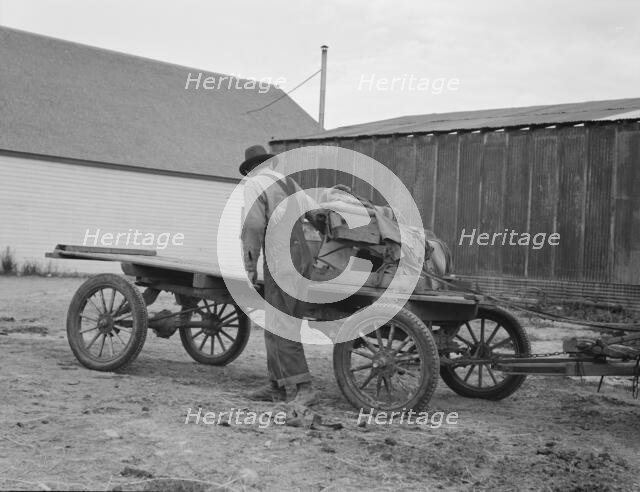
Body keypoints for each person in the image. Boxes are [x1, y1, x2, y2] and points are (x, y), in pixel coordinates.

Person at [239, 144, 320, 405]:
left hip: (281, 259)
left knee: (281, 324)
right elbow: (316, 213)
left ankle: (304, 388)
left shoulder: (254, 184)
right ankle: (276, 385)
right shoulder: (289, 183)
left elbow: (253, 226)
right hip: (302, 257)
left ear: (251, 169)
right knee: (281, 322)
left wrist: (250, 266)